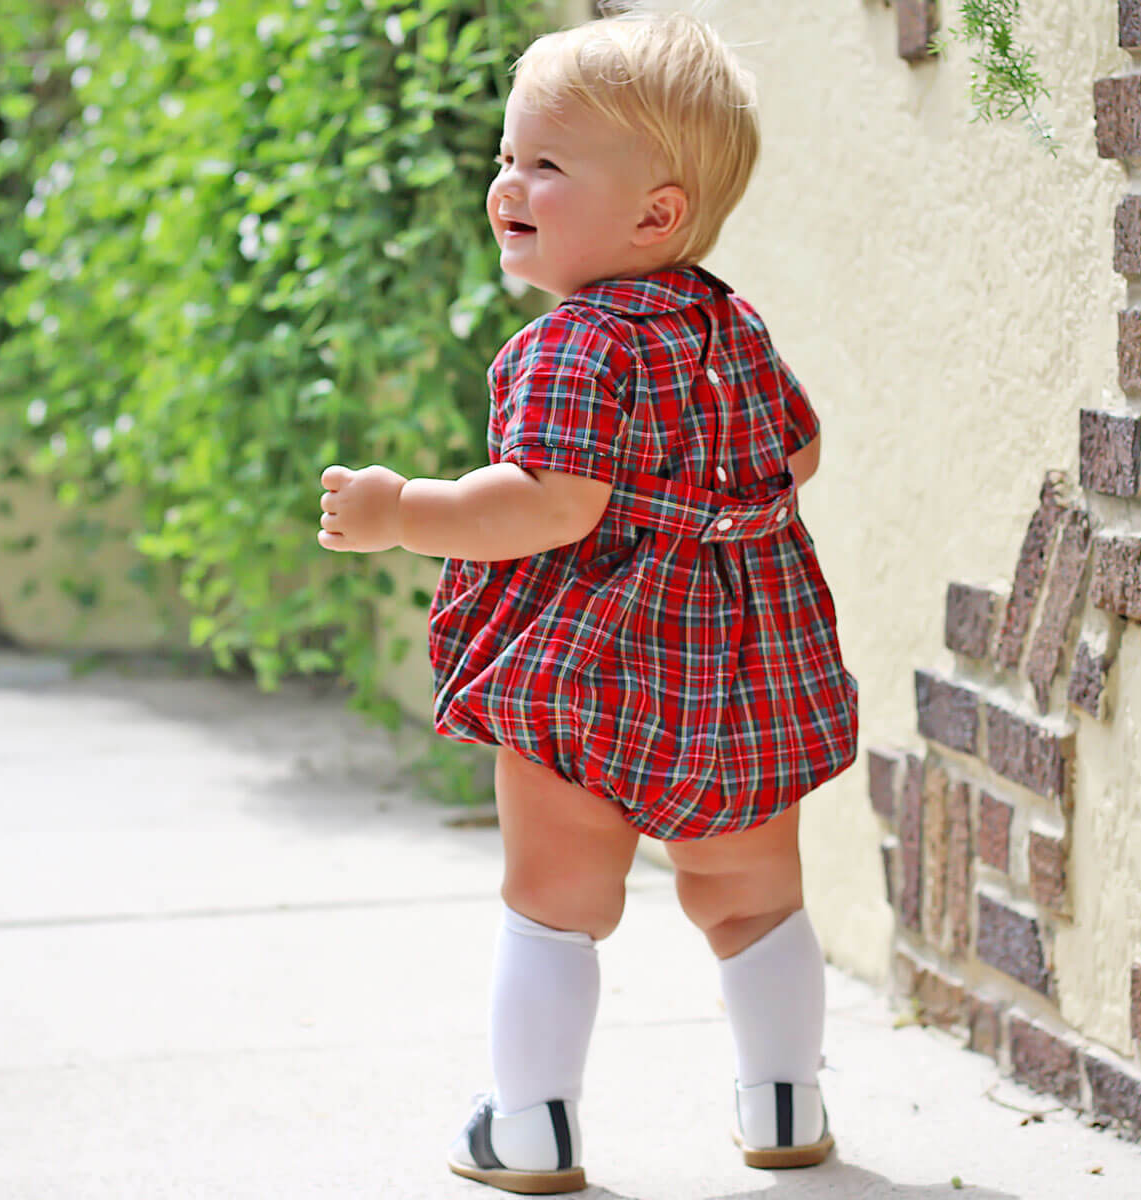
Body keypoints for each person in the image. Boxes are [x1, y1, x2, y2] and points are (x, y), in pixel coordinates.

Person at [317, 8, 858, 1194]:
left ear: (655, 212)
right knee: (754, 895)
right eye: (509, 158)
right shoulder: (731, 321)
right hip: (746, 665)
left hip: (596, 661)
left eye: (547, 165)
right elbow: (801, 454)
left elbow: (549, 504)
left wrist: (404, 508)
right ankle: (783, 1101)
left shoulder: (570, 345)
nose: (509, 184)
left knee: (555, 898)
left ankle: (530, 1125)